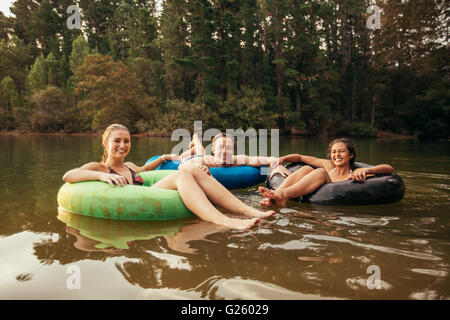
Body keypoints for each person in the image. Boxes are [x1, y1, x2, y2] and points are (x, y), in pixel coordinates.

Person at [62, 124, 275, 230]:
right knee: (181, 175)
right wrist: (101, 177)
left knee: (189, 168)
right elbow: (68, 175)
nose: (122, 145)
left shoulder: (130, 166)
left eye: (126, 141)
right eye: (117, 141)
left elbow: (147, 170)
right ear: (106, 143)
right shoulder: (98, 167)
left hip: (148, 193)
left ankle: (246, 209)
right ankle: (222, 220)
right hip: (137, 199)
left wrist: (163, 157)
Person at [259, 138, 394, 207]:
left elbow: (389, 170)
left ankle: (283, 195)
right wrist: (281, 159)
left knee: (321, 172)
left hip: (332, 205)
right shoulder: (329, 165)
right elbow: (300, 157)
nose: (337, 155)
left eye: (341, 151)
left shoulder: (357, 171)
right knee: (306, 168)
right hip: (312, 196)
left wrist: (369, 170)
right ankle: (276, 196)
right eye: (334, 152)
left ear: (351, 155)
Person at [179, 132, 277, 169]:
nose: (225, 151)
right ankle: (195, 139)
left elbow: (266, 159)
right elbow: (183, 164)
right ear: (213, 150)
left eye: (229, 148)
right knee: (200, 152)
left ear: (233, 151)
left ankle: (196, 141)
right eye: (221, 147)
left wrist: (274, 162)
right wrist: (200, 166)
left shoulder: (238, 160)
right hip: (200, 157)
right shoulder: (207, 161)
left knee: (201, 151)